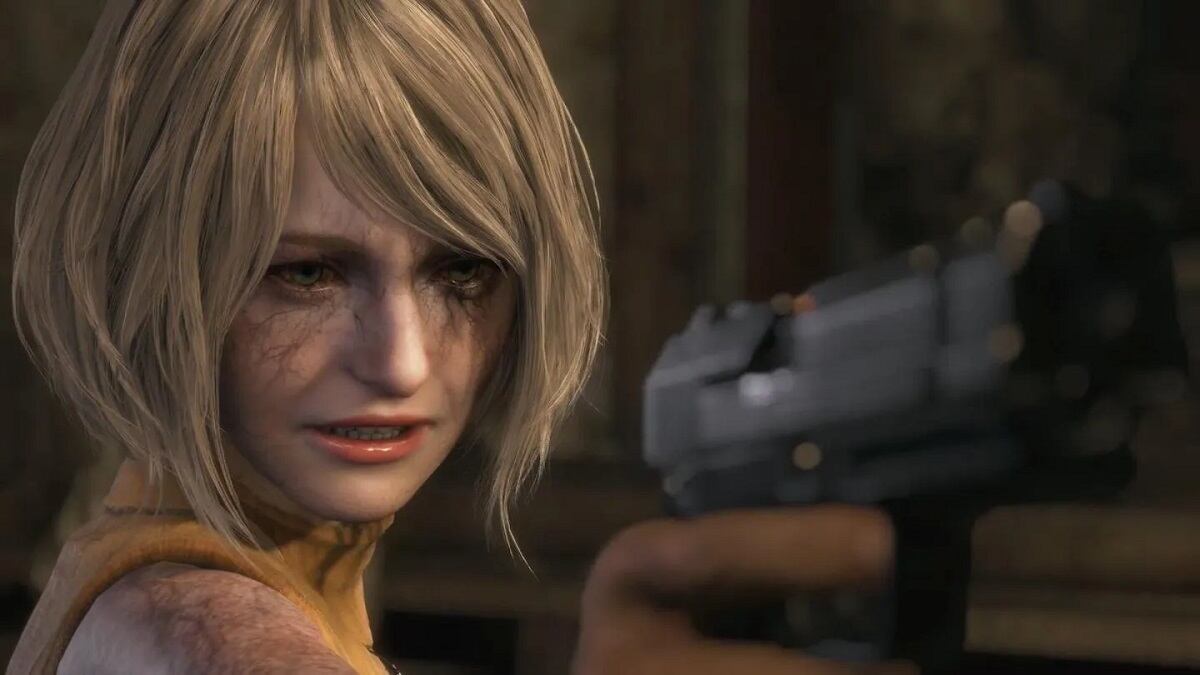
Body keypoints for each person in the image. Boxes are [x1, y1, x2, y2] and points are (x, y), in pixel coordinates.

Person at [7, 1, 913, 673]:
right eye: (308, 274)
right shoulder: (196, 633)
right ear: (159, 269)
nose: (401, 360)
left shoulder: (157, 582)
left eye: (462, 271)